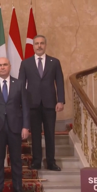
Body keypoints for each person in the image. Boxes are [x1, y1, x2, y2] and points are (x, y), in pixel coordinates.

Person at [0, 57, 30, 192]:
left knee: (16, 160)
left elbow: (25, 107)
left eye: (5, 65)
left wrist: (26, 126)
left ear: (9, 66)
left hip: (16, 127)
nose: (2, 67)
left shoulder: (19, 83)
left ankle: (18, 189)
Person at [18, 35, 65, 171]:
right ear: (33, 46)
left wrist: (61, 100)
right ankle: (36, 161)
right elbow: (21, 85)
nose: (39, 46)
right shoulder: (25, 63)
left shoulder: (54, 62)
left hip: (50, 104)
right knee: (36, 135)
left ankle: (51, 162)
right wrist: (21, 103)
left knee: (50, 133)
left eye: (42, 43)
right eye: (37, 43)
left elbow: (60, 82)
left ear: (45, 45)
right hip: (32, 104)